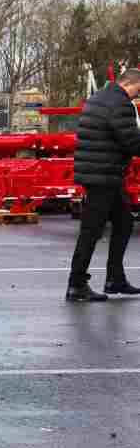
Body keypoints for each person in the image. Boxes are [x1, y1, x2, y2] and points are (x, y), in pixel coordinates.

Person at [67, 67, 140, 302]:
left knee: (124, 222)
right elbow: (131, 141)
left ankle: (114, 279)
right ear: (131, 84)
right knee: (91, 230)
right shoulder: (120, 104)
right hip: (103, 175)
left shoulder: (97, 97)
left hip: (100, 173)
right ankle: (76, 285)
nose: (138, 95)